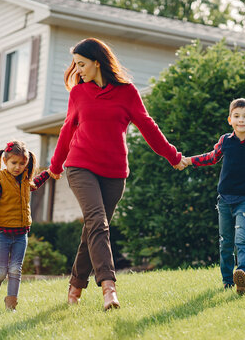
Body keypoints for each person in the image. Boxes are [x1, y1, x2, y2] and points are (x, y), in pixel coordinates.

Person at [48, 38, 186, 310]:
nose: (78, 70)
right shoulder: (78, 93)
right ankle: (108, 289)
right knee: (98, 223)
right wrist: (55, 165)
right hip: (80, 166)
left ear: (97, 61)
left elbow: (148, 126)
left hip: (114, 172)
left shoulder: (127, 92)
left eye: (82, 64)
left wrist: (173, 156)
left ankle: (75, 287)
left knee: (93, 230)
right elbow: (67, 129)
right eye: (75, 65)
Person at [182, 98, 245, 295]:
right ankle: (228, 282)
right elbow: (211, 157)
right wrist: (189, 161)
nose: (241, 120)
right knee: (225, 243)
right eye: (237, 116)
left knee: (242, 240)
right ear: (230, 120)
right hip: (225, 200)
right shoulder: (225, 141)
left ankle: (242, 273)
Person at [0, 140, 50, 311]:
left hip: (21, 234)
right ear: (5, 161)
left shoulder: (25, 180)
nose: (17, 167)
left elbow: (36, 183)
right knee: (1, 272)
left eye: (22, 163)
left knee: (15, 270)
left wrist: (50, 172)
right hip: (2, 233)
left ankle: (11, 307)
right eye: (14, 163)